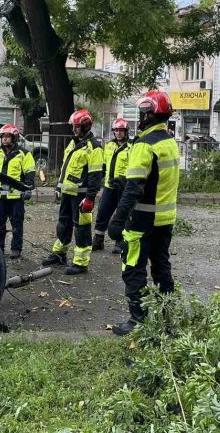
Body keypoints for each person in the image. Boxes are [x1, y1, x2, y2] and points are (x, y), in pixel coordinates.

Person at [109, 91, 179, 336]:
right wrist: (123, 180)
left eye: (142, 112)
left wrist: (117, 219)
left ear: (149, 113)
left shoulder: (143, 144)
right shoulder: (168, 141)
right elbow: (155, 179)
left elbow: (136, 187)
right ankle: (167, 318)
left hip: (141, 220)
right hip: (165, 219)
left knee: (133, 267)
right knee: (161, 267)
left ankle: (138, 320)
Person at [42, 109, 103, 275]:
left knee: (81, 228)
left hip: (82, 196)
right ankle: (60, 254)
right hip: (68, 193)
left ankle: (81, 263)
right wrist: (58, 186)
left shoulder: (94, 147)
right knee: (63, 223)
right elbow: (65, 168)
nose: (74, 130)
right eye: (74, 127)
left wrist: (90, 198)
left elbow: (96, 175)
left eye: (77, 127)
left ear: (85, 126)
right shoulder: (73, 143)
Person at [0, 124, 35, 259]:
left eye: (8, 136)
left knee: (17, 224)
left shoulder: (24, 154)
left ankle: (16, 249)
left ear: (14, 138)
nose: (5, 139)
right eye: (3, 136)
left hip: (16, 196)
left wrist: (28, 189)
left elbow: (30, 173)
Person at [92, 117, 131, 253]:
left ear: (126, 132)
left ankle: (119, 241)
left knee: (122, 215)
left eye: (121, 131)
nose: (119, 133)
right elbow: (103, 165)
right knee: (102, 212)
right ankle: (98, 240)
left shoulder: (131, 147)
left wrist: (124, 180)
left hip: (123, 187)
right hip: (109, 186)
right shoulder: (109, 146)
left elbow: (133, 168)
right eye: (116, 130)